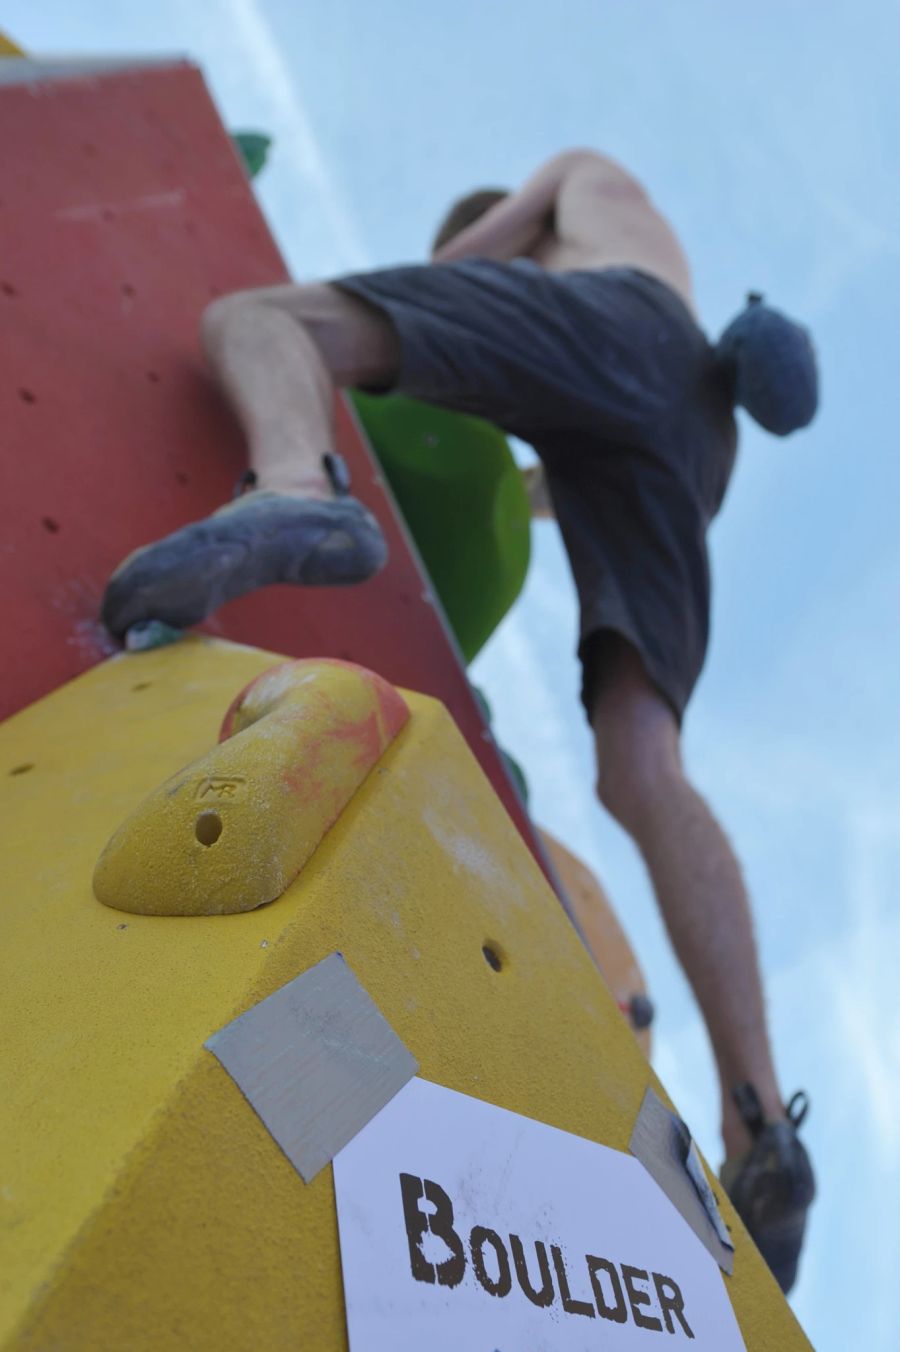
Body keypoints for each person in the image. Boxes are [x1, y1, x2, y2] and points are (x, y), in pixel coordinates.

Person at [101, 148, 817, 1292]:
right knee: (644, 766)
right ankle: (759, 1124)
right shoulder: (658, 269)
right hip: (695, 450)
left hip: (615, 338)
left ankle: (294, 482)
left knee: (261, 318)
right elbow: (562, 448)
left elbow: (445, 274)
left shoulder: (575, 188)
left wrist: (402, 299)